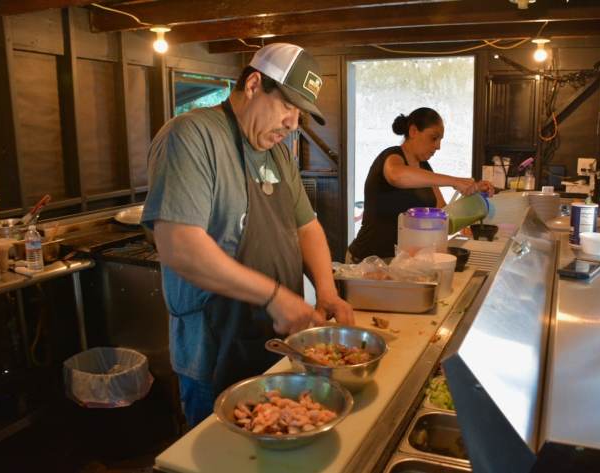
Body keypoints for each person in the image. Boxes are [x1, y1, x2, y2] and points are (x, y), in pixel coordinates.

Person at [141, 43, 354, 427]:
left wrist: (326, 290)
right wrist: (273, 296)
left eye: (300, 113)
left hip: (272, 343)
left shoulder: (279, 154)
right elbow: (179, 246)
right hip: (214, 348)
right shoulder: (193, 136)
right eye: (288, 106)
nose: (293, 124)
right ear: (254, 85)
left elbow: (307, 226)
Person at [348, 107, 493, 262]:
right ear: (413, 131)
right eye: (433, 138)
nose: (438, 146)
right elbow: (397, 176)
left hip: (403, 263)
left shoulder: (425, 169)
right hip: (367, 261)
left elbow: (444, 221)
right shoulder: (392, 156)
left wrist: (475, 195)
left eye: (440, 140)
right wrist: (454, 181)